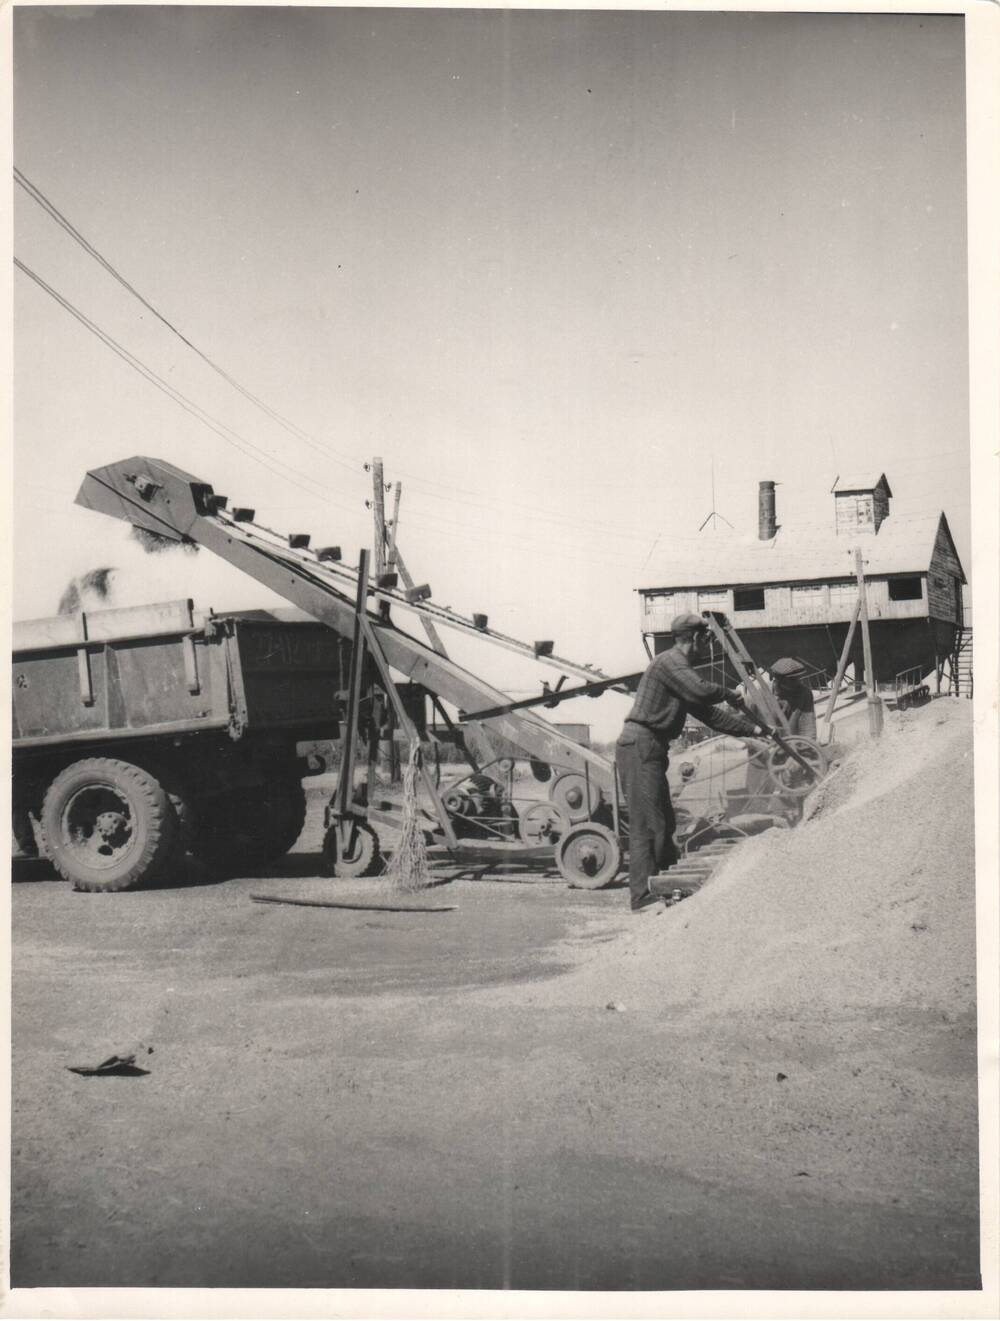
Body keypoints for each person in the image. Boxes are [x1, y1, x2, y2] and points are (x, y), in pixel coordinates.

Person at [616, 613, 760, 914]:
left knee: (665, 822)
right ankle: (642, 897)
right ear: (695, 639)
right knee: (648, 823)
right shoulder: (670, 663)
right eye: (706, 641)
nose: (706, 647)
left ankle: (670, 886)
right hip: (639, 745)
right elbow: (702, 692)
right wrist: (733, 693)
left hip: (650, 747)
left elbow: (711, 715)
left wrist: (757, 730)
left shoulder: (679, 673)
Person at [769, 657, 817, 740]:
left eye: (798, 678)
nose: (798, 682)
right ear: (779, 680)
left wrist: (808, 748)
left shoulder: (804, 693)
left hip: (793, 744)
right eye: (792, 679)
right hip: (766, 746)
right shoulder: (761, 695)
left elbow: (808, 727)